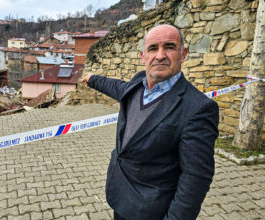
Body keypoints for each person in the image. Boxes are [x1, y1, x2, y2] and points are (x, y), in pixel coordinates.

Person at [81, 24, 219, 219]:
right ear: (143, 56)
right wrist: (92, 78)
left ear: (183, 53)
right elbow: (116, 87)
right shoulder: (137, 84)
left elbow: (195, 179)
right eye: (153, 48)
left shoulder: (198, 108)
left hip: (150, 209)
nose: (160, 55)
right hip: (119, 195)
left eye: (169, 47)